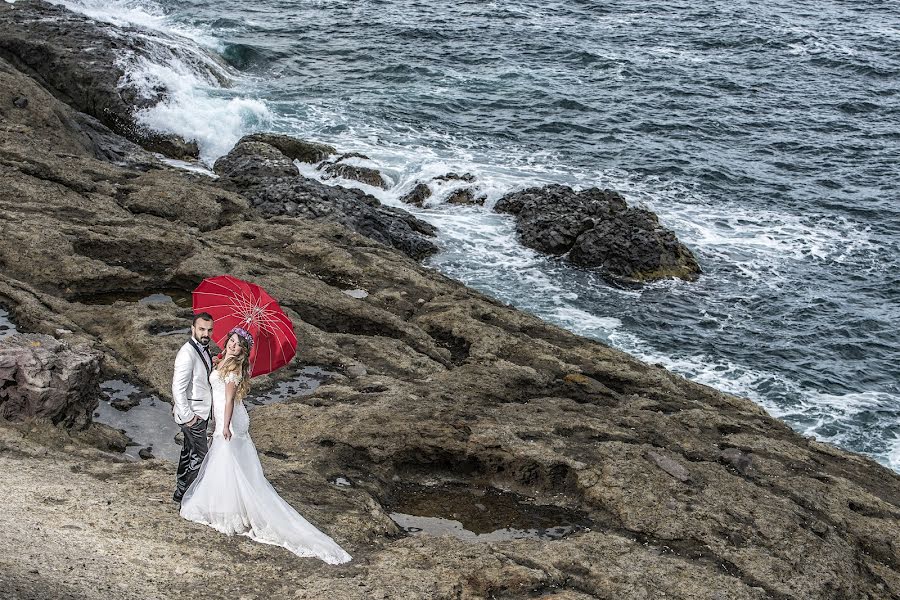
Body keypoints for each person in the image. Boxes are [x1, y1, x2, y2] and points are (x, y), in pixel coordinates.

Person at [179, 326, 351, 564]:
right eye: (232, 341)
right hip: (224, 415)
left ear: (243, 351)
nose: (233, 345)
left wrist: (225, 425)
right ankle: (230, 504)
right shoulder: (223, 361)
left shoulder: (233, 369)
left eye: (239, 344)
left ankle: (236, 509)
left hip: (232, 419)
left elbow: (228, 399)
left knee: (227, 460)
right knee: (229, 462)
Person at [171, 312, 215, 503]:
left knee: (188, 453)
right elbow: (177, 388)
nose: (206, 334)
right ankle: (189, 499)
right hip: (193, 415)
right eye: (202, 329)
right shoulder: (186, 353)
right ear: (193, 329)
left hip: (201, 413)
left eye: (209, 330)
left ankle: (180, 493)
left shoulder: (204, 349)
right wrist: (189, 417)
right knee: (201, 457)